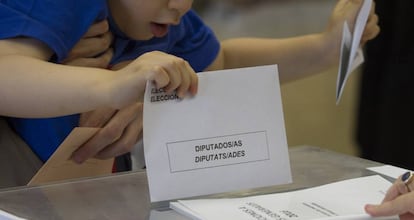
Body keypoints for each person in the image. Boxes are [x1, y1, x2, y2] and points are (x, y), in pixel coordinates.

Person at [0, 0, 380, 170]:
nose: (181, 4)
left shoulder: (165, 22)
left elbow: (224, 62)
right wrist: (110, 85)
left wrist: (325, 48)